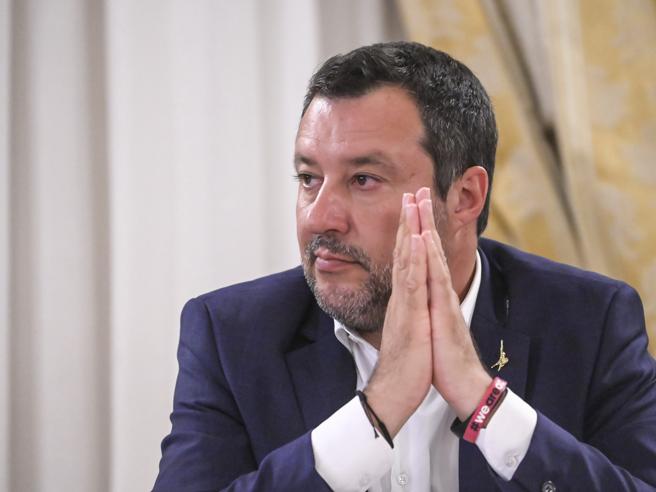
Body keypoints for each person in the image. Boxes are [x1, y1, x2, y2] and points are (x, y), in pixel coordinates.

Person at [153, 42, 656, 491]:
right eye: (309, 179)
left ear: (465, 196)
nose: (319, 218)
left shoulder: (590, 321)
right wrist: (376, 410)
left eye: (364, 179)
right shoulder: (231, 334)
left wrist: (485, 402)